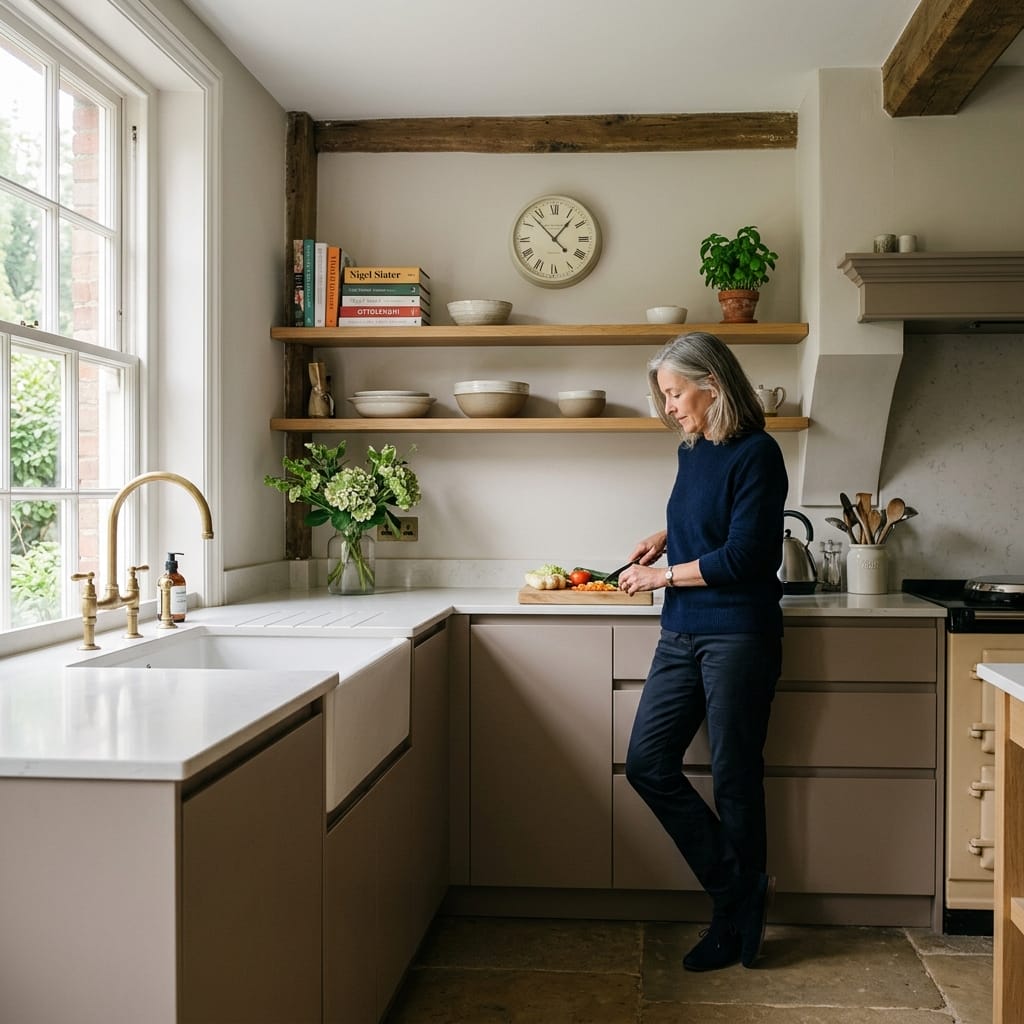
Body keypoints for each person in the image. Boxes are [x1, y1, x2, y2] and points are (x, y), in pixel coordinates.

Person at [618, 331, 788, 972]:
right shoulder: (694, 452)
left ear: (711, 386)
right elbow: (712, 521)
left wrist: (663, 577)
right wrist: (670, 535)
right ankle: (740, 891)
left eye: (675, 392)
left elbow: (749, 554)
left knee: (736, 779)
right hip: (683, 631)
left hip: (738, 634)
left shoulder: (759, 453)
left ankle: (731, 923)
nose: (668, 407)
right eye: (664, 395)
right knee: (647, 764)